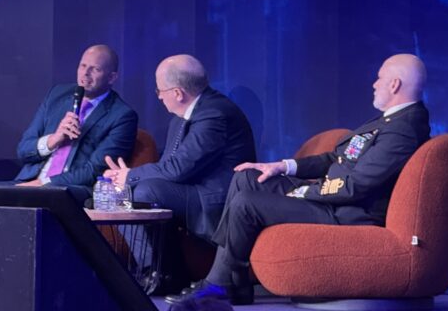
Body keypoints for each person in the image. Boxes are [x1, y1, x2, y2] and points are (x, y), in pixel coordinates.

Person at [167, 53, 430, 306]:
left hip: (347, 211)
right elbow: (335, 159)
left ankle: (219, 284)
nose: (374, 83)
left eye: (380, 78)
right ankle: (237, 283)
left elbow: (356, 187)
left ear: (395, 84)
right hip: (333, 199)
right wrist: (282, 166)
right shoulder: (390, 121)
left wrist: (303, 192)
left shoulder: (403, 129)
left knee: (247, 203)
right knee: (247, 177)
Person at [104, 54, 256, 243]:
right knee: (117, 194)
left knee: (147, 191)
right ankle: (143, 268)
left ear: (177, 93)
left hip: (215, 200)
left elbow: (178, 169)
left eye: (159, 90)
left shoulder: (214, 114)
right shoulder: (181, 118)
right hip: (192, 189)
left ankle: (165, 271)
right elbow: (168, 167)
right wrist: (124, 179)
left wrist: (130, 175)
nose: (159, 96)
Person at [9, 44, 137, 205]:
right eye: (83, 66)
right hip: (28, 181)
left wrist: (45, 184)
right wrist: (53, 140)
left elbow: (94, 171)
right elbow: (23, 151)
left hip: (71, 188)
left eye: (95, 69)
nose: (85, 73)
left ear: (111, 77)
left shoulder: (122, 116)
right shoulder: (56, 95)